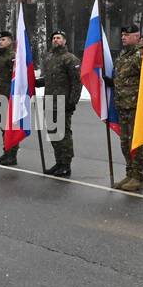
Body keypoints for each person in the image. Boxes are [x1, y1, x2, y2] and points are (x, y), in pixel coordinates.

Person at [112, 23, 143, 191]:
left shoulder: (141, 55)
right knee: (125, 142)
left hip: (135, 106)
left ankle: (138, 177)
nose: (123, 37)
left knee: (136, 143)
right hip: (123, 104)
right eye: (122, 35)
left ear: (137, 36)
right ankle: (130, 172)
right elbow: (122, 78)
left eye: (127, 35)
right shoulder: (123, 55)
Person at [42, 30, 81, 177]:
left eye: (59, 38)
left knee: (63, 134)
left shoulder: (70, 59)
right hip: (50, 101)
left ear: (65, 41)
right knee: (53, 134)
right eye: (53, 38)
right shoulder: (49, 57)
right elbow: (47, 79)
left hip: (63, 102)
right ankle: (58, 162)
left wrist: (72, 101)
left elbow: (77, 82)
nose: (55, 40)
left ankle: (66, 165)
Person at [0, 31, 18, 166]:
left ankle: (12, 155)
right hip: (1, 96)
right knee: (4, 126)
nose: (0, 42)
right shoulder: (0, 57)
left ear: (10, 41)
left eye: (3, 39)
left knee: (10, 127)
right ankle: (7, 152)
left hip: (10, 97)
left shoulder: (12, 57)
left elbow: (17, 77)